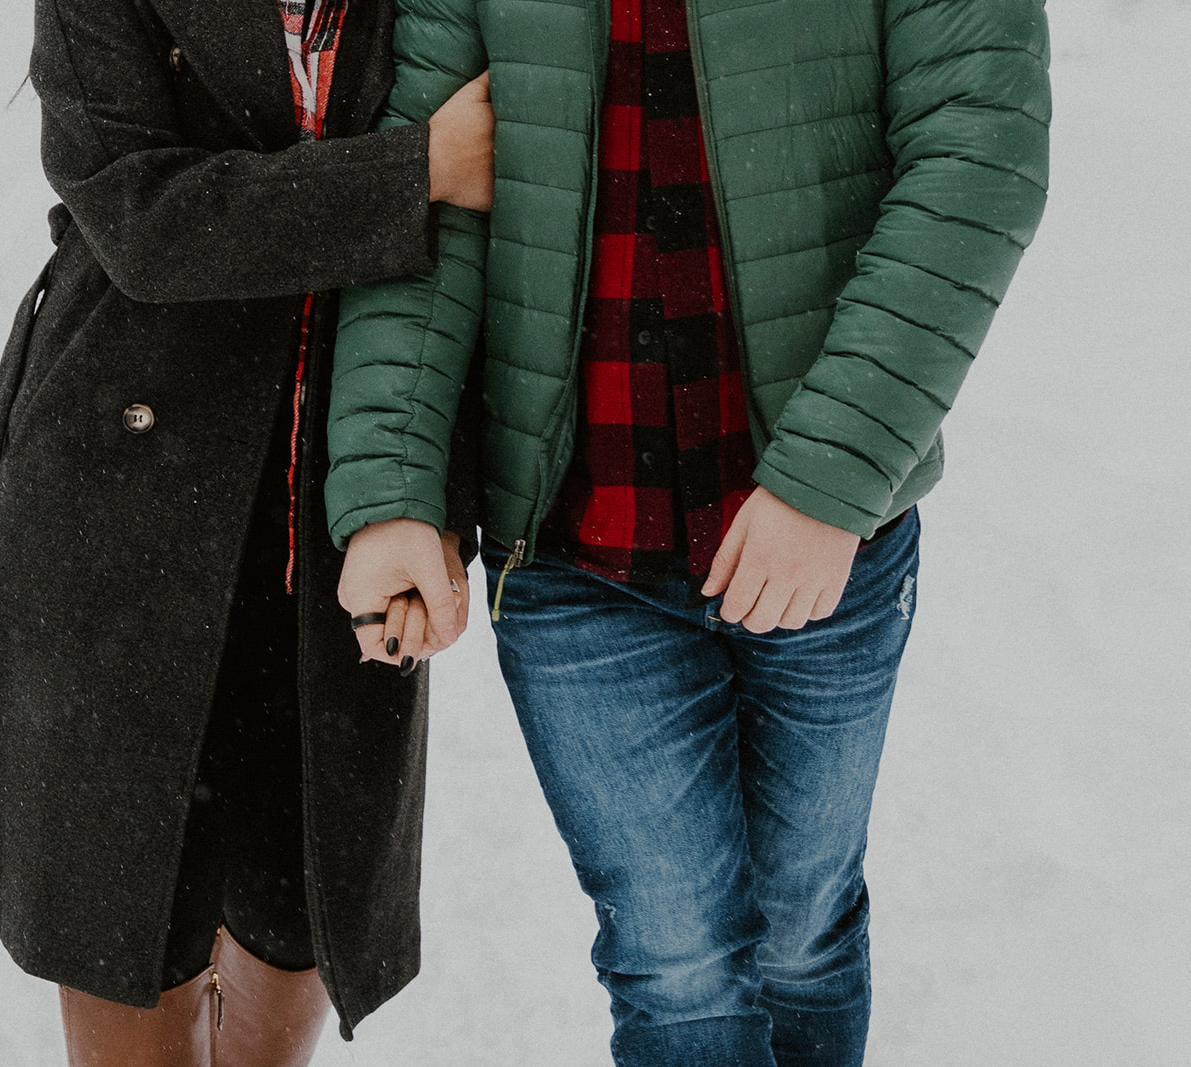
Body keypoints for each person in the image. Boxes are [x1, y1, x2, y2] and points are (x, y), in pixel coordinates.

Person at [327, 0, 1051, 1063]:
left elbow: (976, 153)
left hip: (826, 546)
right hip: (576, 550)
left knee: (802, 931)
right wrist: (394, 488)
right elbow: (434, 198)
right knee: (677, 968)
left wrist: (823, 482)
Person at [0, 0, 494, 1063]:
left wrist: (435, 501)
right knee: (121, 900)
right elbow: (145, 218)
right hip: (128, 490)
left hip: (343, 500)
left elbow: (481, 259)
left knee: (301, 888)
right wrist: (414, 170)